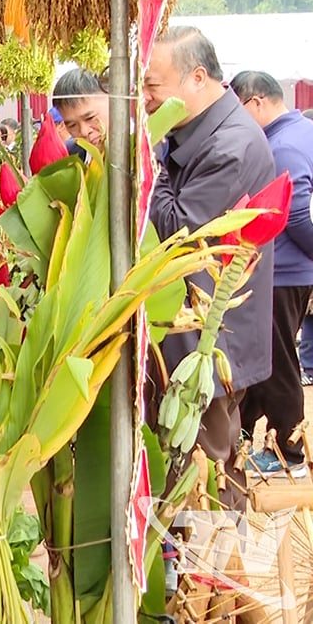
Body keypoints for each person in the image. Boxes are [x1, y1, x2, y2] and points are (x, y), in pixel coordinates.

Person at [145, 26, 275, 508]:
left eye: (154, 86)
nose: (148, 97)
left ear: (197, 77)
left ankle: (216, 571)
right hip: (195, 329)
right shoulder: (204, 132)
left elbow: (178, 227)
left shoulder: (230, 144)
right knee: (188, 459)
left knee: (206, 464)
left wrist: (151, 163)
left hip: (212, 341)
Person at [229, 70, 313, 476]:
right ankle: (244, 435)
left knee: (278, 362)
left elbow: (294, 212)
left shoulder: (281, 145)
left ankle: (290, 451)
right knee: (267, 358)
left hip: (282, 273)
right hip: (288, 272)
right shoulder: (302, 130)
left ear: (256, 102)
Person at [53, 69, 110, 157]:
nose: (83, 131)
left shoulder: (137, 154)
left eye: (90, 118)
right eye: (72, 125)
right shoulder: (71, 155)